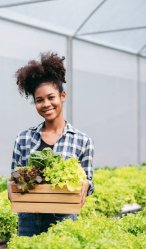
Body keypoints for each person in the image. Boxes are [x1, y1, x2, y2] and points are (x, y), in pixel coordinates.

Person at [10, 52, 94, 237]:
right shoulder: (23, 139)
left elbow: (88, 181)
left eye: (51, 97)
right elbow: (15, 177)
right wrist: (12, 185)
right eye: (39, 100)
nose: (46, 104)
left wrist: (86, 184)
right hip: (28, 221)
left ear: (62, 96)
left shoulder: (82, 141)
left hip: (63, 220)